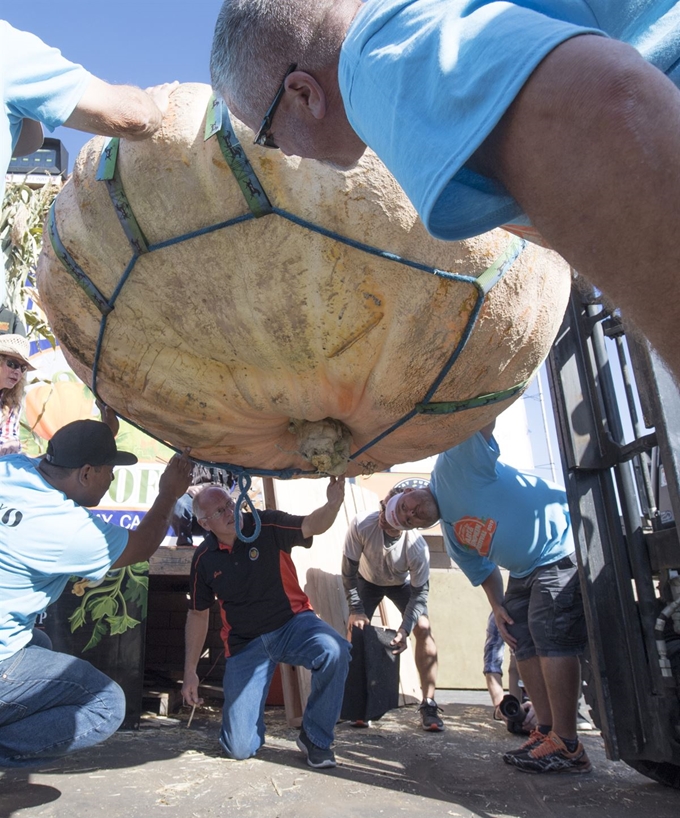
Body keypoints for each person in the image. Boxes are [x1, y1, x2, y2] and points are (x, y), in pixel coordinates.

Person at [210, 0, 680, 385]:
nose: (287, 155)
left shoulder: (376, 59)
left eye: (269, 135)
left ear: (304, 94)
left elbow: (596, 103)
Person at [379, 422, 590, 775]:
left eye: (408, 506)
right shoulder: (453, 538)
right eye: (407, 520)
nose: (412, 514)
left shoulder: (451, 465)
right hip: (522, 572)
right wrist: (498, 606)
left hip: (559, 546)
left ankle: (568, 745)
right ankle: (546, 731)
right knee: (519, 639)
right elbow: (486, 573)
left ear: (413, 489)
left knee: (550, 636)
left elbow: (482, 421)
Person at [0, 419, 193, 767]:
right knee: (105, 705)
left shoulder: (12, 468)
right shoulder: (66, 528)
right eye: (109, 470)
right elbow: (141, 546)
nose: (113, 479)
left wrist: (103, 432)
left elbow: (69, 453)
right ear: (87, 473)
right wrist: (168, 494)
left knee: (38, 643)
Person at [182, 480, 351, 769]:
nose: (230, 513)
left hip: (292, 624)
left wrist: (333, 504)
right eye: (220, 511)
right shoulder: (204, 559)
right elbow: (198, 614)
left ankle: (316, 737)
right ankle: (248, 730)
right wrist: (190, 671)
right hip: (245, 645)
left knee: (335, 650)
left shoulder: (266, 525)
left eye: (230, 504)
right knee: (238, 749)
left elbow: (312, 525)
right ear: (204, 523)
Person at [342, 486, 443, 731]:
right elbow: (348, 573)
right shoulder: (362, 524)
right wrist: (356, 609)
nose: (384, 516)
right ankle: (358, 704)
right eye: (384, 507)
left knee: (423, 628)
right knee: (355, 629)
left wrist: (405, 629)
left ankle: (428, 703)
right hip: (368, 580)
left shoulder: (416, 547)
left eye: (398, 517)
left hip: (401, 584)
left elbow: (420, 594)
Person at [0, 333, 33, 455]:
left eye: (23, 368)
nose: (18, 372)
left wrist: (12, 444)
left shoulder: (11, 400)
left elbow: (10, 436)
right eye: (13, 364)